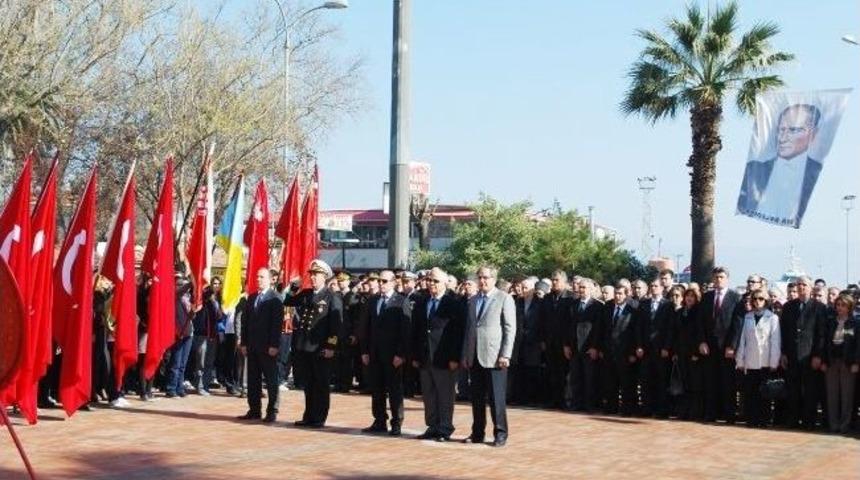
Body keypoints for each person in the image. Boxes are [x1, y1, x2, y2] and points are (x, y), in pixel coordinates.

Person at [737, 104, 823, 226]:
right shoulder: (753, 171)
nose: (782, 138)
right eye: (781, 130)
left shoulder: (817, 172)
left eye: (793, 130)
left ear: (813, 134)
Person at [461, 265, 516, 447]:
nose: (482, 281)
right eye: (480, 277)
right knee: (476, 398)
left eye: (486, 277)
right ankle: (477, 433)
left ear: (494, 279)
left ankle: (500, 433)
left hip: (495, 356)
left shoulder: (504, 298)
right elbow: (469, 329)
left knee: (496, 399)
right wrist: (466, 354)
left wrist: (505, 354)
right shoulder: (473, 300)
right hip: (475, 355)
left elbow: (510, 328)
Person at [285, 260, 343, 428]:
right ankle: (309, 415)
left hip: (320, 347)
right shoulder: (306, 293)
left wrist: (331, 347)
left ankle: (319, 417)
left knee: (321, 384)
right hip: (305, 346)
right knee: (308, 384)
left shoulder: (331, 297)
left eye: (316, 275)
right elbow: (288, 301)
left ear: (324, 277)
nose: (312, 278)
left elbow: (336, 325)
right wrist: (294, 287)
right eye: (311, 275)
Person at [411, 267, 465, 442]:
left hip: (444, 357)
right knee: (428, 394)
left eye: (435, 281)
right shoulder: (422, 301)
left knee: (445, 395)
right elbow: (416, 330)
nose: (431, 283)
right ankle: (432, 426)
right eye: (429, 280)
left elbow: (457, 333)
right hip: (425, 356)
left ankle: (445, 427)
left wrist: (454, 357)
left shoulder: (453, 303)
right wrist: (416, 356)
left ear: (445, 283)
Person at [359, 269, 412, 436]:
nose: (381, 284)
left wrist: (401, 354)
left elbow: (406, 330)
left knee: (395, 389)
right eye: (379, 281)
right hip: (374, 353)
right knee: (377, 389)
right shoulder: (373, 300)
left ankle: (396, 422)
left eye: (384, 281)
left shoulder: (401, 301)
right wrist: (364, 351)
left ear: (394, 282)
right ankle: (379, 420)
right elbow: (365, 327)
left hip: (392, 355)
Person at [777, 275, 827, 430]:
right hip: (791, 355)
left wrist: (818, 355)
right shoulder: (788, 307)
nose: (801, 287)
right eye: (799, 284)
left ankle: (808, 421)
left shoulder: (819, 307)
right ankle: (793, 419)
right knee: (793, 390)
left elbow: (821, 334)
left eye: (804, 284)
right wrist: (783, 353)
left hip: (809, 355)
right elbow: (784, 332)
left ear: (810, 287)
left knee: (810, 390)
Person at [237, 268, 284, 423]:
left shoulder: (275, 298)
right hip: (252, 346)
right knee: (253, 380)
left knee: (271, 380)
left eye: (262, 277)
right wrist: (244, 343)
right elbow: (245, 322)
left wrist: (274, 345)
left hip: (267, 346)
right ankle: (254, 409)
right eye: (257, 277)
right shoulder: (252, 298)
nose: (258, 279)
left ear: (270, 279)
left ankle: (272, 411)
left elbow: (276, 324)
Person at [697, 267, 743, 423]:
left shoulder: (735, 297)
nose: (718, 280)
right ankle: (711, 413)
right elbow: (700, 322)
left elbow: (737, 323)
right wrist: (702, 341)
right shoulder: (707, 297)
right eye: (716, 277)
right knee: (710, 381)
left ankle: (729, 415)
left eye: (721, 277)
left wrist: (732, 345)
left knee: (728, 382)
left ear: (727, 279)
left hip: (726, 347)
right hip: (709, 346)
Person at [735, 290, 781, 428]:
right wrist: (740, 360)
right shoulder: (748, 316)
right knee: (751, 392)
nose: (757, 301)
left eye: (761, 299)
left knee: (764, 392)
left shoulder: (772, 318)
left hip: (765, 360)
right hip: (750, 360)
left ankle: (764, 419)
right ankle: (752, 419)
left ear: (766, 301)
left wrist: (774, 361)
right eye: (755, 299)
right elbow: (742, 340)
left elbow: (775, 341)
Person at [820, 293, 859, 433]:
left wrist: (856, 362)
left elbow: (858, 345)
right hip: (832, 362)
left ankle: (845, 425)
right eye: (838, 305)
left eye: (843, 305)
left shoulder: (855, 323)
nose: (840, 308)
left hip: (847, 363)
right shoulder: (830, 322)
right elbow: (824, 343)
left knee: (847, 395)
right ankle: (833, 424)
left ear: (849, 307)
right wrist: (823, 360)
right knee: (832, 395)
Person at [538, 270, 574, 409]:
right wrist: (542, 340)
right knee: (551, 372)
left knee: (563, 372)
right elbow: (542, 320)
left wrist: (567, 343)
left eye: (557, 280)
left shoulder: (570, 298)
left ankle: (564, 400)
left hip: (564, 343)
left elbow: (571, 323)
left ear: (564, 281)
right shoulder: (547, 298)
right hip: (549, 342)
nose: (554, 282)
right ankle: (553, 400)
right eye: (552, 280)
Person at [565, 278, 603, 413]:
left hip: (589, 347)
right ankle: (576, 403)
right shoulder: (573, 305)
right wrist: (567, 345)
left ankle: (590, 405)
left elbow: (598, 329)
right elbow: (568, 326)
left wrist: (595, 347)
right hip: (575, 347)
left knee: (590, 378)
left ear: (591, 289)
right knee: (575, 377)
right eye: (580, 287)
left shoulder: (597, 306)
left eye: (584, 287)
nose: (581, 290)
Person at [601, 283, 638, 416]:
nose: (617, 296)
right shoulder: (608, 306)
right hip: (609, 351)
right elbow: (602, 329)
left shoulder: (633, 309)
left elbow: (636, 332)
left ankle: (628, 409)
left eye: (620, 294)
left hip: (626, 352)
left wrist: (633, 352)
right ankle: (611, 407)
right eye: (616, 293)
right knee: (610, 381)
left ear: (626, 295)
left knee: (626, 382)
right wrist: (601, 348)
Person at [636, 279, 672, 418]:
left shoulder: (668, 305)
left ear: (662, 288)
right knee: (646, 380)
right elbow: (639, 327)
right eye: (651, 286)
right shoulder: (644, 304)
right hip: (646, 349)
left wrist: (666, 347)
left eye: (656, 286)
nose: (653, 288)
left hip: (661, 348)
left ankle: (661, 410)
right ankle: (647, 408)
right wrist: (639, 345)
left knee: (661, 380)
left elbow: (670, 328)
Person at [672, 287, 704, 420]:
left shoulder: (699, 312)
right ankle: (683, 411)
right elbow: (675, 333)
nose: (689, 298)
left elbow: (700, 332)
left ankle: (695, 412)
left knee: (694, 384)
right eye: (687, 296)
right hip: (681, 352)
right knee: (683, 383)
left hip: (694, 353)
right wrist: (675, 352)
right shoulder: (679, 312)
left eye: (692, 296)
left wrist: (696, 352)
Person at [513, 276, 542, 406]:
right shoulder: (517, 302)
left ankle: (532, 399)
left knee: (532, 370)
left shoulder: (540, 303)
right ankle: (520, 397)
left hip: (534, 341)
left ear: (532, 289)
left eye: (526, 288)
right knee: (520, 369)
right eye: (522, 287)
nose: (523, 290)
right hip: (519, 341)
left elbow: (542, 322)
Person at [166, 275, 195, 398]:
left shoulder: (188, 298)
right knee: (176, 362)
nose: (181, 286)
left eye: (183, 284)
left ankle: (179, 387)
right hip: (179, 332)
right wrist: (192, 282)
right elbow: (180, 291)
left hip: (189, 332)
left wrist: (193, 310)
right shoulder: (175, 296)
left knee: (183, 363)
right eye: (179, 284)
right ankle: (171, 388)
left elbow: (192, 316)